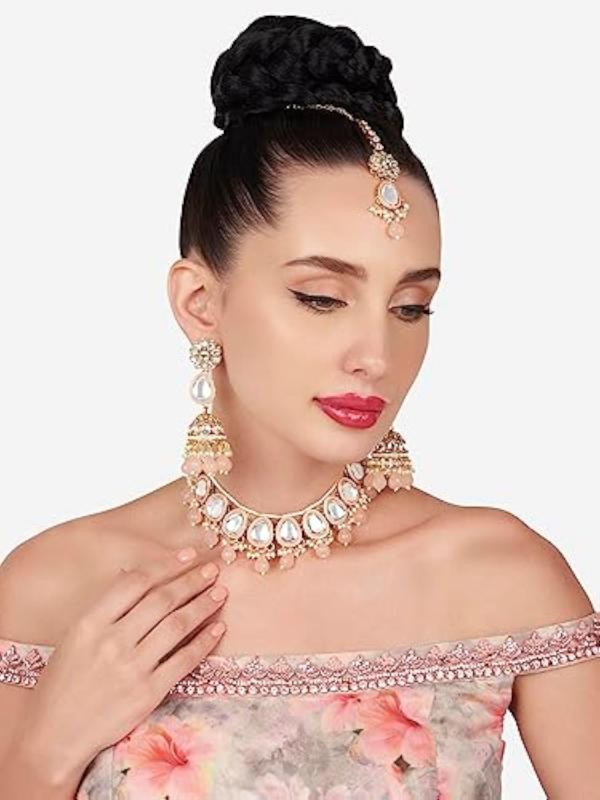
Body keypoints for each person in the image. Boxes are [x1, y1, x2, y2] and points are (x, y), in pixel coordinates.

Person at [0, 13, 598, 800]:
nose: (376, 354)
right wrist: (43, 756)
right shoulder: (55, 588)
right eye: (321, 297)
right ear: (200, 302)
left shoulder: (501, 577)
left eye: (410, 307)